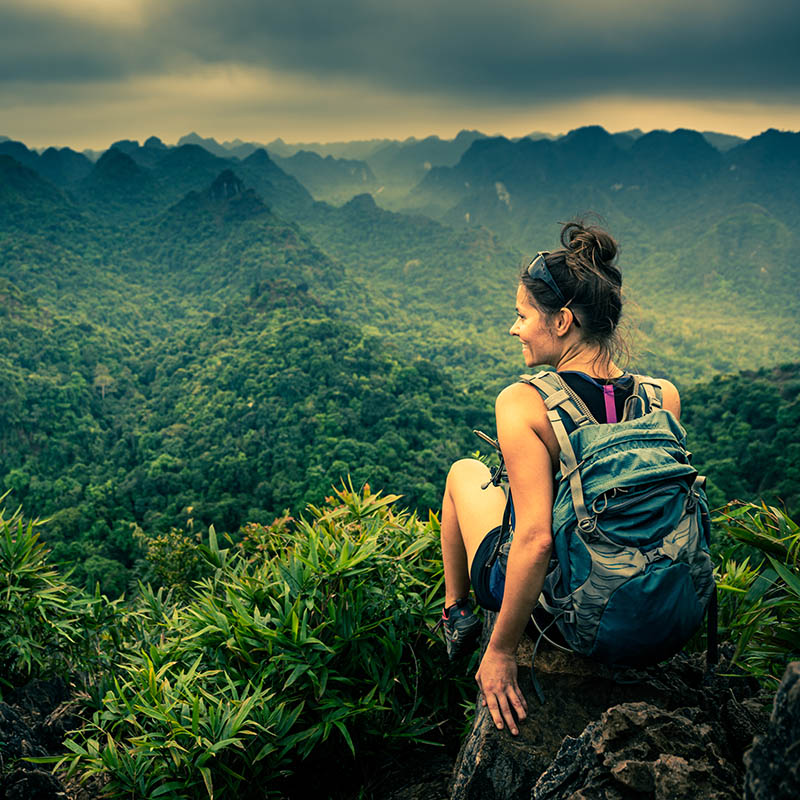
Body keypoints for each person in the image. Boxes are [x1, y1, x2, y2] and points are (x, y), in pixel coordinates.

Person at [438, 220, 680, 737]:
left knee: (464, 473)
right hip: (662, 602)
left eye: (522, 315)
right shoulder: (663, 396)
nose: (514, 328)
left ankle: (455, 614)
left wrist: (501, 651)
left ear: (563, 320)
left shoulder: (523, 402)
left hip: (578, 606)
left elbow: (536, 538)